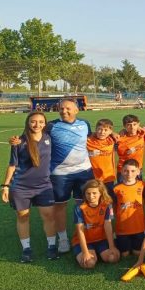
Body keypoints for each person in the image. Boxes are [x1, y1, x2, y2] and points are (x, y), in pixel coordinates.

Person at [10, 98, 94, 253]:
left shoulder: (85, 124)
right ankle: (62, 239)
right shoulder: (51, 126)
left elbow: (95, 138)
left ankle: (87, 236)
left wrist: (116, 133)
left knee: (85, 205)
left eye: (68, 108)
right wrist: (17, 140)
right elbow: (31, 135)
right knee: (60, 206)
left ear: (76, 110)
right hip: (60, 174)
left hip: (84, 171)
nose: (64, 111)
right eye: (61, 108)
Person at [1, 112, 58, 262]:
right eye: (33, 122)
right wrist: (5, 186)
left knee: (49, 216)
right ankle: (26, 249)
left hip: (44, 186)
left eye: (40, 122)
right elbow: (12, 165)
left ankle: (52, 247)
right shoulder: (19, 142)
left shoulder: (49, 137)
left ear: (45, 124)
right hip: (21, 187)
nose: (37, 125)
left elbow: (64, 121)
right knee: (23, 217)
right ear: (28, 123)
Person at [72, 180, 120, 269]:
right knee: (89, 263)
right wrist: (85, 252)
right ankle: (89, 252)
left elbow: (108, 225)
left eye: (94, 193)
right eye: (88, 193)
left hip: (101, 240)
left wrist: (112, 246)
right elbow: (80, 230)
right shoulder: (79, 208)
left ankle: (99, 252)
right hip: (85, 241)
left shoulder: (107, 205)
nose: (91, 196)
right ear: (84, 194)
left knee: (113, 258)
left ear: (101, 193)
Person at [113, 159, 145, 257]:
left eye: (132, 171)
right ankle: (115, 241)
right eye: (126, 171)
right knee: (125, 254)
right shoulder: (116, 188)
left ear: (138, 172)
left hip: (139, 227)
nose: (129, 174)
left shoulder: (143, 185)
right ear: (121, 171)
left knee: (137, 253)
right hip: (123, 227)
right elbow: (113, 206)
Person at [86, 119, 117, 195]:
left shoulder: (113, 139)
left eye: (105, 130)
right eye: (99, 129)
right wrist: (89, 153)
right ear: (95, 129)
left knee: (109, 198)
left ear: (110, 131)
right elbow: (78, 153)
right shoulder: (88, 140)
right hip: (92, 177)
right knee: (94, 198)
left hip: (108, 176)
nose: (102, 132)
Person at [116, 114, 145, 180]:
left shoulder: (142, 134)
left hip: (137, 169)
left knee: (138, 188)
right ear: (124, 126)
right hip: (123, 170)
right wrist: (112, 133)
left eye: (134, 124)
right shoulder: (119, 138)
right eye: (129, 125)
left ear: (138, 124)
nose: (132, 127)